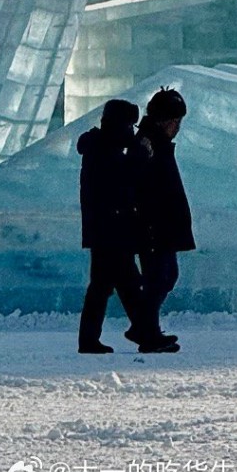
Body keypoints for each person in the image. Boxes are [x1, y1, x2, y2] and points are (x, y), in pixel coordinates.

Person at [76, 98, 179, 355]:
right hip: (110, 230)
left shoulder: (100, 147)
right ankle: (145, 335)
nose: (132, 132)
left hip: (105, 230)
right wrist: (142, 154)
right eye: (129, 126)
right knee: (123, 285)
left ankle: (134, 335)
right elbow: (121, 181)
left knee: (110, 286)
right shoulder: (104, 151)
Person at [132, 87, 196, 348]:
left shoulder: (154, 143)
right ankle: (147, 332)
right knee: (159, 278)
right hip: (155, 226)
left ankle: (145, 329)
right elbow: (145, 187)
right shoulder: (148, 145)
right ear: (166, 121)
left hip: (161, 225)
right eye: (176, 122)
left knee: (163, 277)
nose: (177, 127)